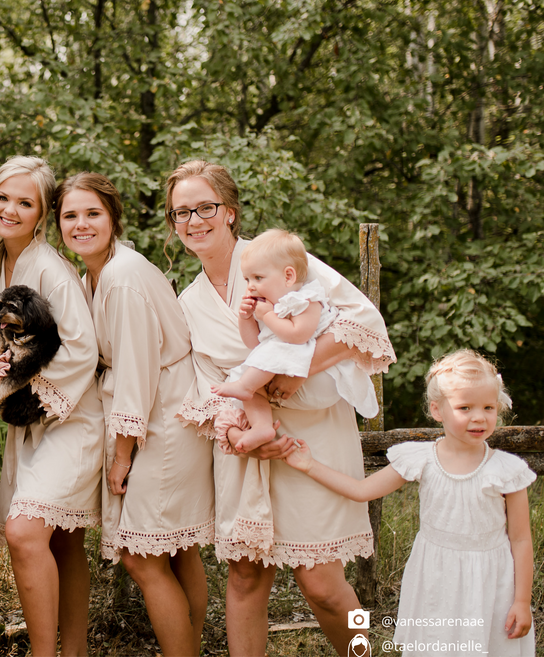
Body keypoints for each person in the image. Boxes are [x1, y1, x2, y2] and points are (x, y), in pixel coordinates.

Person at [166, 159, 395, 655]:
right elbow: (207, 384)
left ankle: (364, 654)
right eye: (180, 212)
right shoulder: (188, 301)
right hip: (248, 446)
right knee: (246, 577)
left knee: (324, 587)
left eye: (205, 207)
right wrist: (236, 434)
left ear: (229, 212)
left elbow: (365, 321)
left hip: (314, 437)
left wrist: (298, 369)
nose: (194, 221)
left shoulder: (278, 259)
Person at [56, 172, 214, 656]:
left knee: (142, 559)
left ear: (113, 218)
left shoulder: (123, 278)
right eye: (70, 216)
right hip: (163, 408)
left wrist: (122, 454)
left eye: (92, 214)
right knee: (177, 549)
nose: (81, 224)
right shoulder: (92, 274)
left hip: (163, 419)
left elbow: (135, 372)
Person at [285, 349, 535, 655]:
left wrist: (521, 601)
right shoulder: (422, 459)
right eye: (464, 407)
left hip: (490, 583)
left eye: (488, 407)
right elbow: (362, 490)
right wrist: (310, 466)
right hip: (437, 578)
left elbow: (521, 539)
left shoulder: (507, 471)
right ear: (437, 409)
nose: (479, 417)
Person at [0, 157, 101, 657]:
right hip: (34, 424)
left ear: (43, 212)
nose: (10, 210)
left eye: (25, 203)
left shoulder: (51, 269)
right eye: (3, 197)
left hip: (69, 417)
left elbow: (81, 350)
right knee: (64, 540)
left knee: (24, 532)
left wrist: (21, 393)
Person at [210, 229, 376, 452]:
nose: (250, 285)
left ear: (288, 276)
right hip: (290, 363)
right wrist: (246, 318)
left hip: (321, 376)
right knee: (250, 382)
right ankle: (262, 427)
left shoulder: (304, 299)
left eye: (258, 278)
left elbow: (300, 336)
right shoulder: (272, 303)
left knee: (251, 375)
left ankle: (245, 387)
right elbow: (254, 344)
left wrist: (268, 315)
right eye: (247, 279)